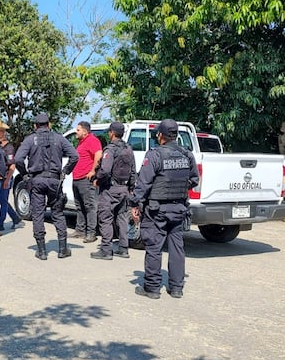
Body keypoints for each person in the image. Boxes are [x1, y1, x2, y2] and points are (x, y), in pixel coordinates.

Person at [129, 119, 198, 299]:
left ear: (160, 135)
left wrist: (134, 203)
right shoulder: (187, 155)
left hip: (156, 210)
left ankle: (152, 288)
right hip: (179, 209)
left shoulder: (154, 155)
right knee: (177, 248)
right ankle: (176, 288)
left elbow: (143, 184)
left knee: (153, 247)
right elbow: (194, 180)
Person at [14, 113, 79, 260]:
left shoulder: (30, 140)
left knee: (37, 214)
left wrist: (25, 174)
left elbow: (18, 159)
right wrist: (65, 171)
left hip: (36, 180)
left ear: (35, 126)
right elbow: (75, 156)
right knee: (58, 213)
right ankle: (62, 249)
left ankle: (42, 251)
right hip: (55, 180)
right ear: (49, 124)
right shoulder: (59, 138)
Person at [91, 121, 136, 260]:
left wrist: (97, 180)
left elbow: (104, 170)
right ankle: (123, 248)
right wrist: (131, 188)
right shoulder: (129, 149)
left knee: (105, 218)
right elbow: (133, 172)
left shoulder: (110, 150)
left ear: (112, 133)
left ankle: (106, 249)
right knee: (122, 218)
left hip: (110, 189)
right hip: (124, 189)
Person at [71, 121, 102, 243]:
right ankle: (80, 230)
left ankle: (91, 233)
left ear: (85, 131)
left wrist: (93, 170)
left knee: (89, 206)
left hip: (85, 179)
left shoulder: (92, 140)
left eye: (78, 130)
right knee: (79, 206)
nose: (76, 132)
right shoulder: (81, 142)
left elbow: (98, 154)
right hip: (77, 178)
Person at [0, 133, 24, 232]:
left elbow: (12, 166)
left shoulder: (9, 148)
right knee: (2, 200)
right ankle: (15, 218)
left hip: (6, 177)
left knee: (3, 201)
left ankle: (0, 223)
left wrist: (7, 179)